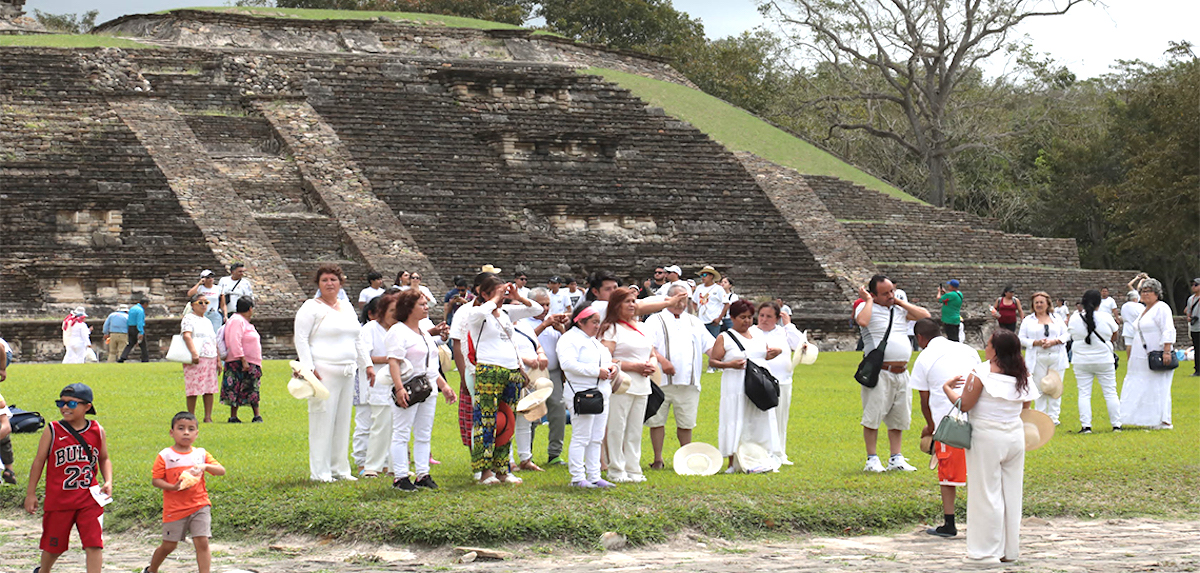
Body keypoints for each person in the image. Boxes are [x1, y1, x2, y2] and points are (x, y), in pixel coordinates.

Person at [943, 329, 1038, 564]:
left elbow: (964, 405)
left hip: (986, 436)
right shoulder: (1022, 373)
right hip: (1014, 435)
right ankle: (1008, 550)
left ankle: (984, 552)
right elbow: (1026, 405)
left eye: (988, 344)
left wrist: (947, 389)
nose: (985, 348)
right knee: (1011, 493)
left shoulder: (981, 373)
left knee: (985, 493)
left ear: (996, 350)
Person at [294, 264, 374, 482]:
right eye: (325, 280)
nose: (329, 284)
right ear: (318, 284)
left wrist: (366, 364)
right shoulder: (311, 307)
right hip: (323, 371)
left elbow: (357, 338)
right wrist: (309, 368)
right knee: (322, 421)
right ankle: (320, 472)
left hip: (347, 370)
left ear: (341, 283)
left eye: (333, 280)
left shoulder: (346, 306)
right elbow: (301, 338)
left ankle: (340, 469)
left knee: (342, 422)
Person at [24, 383, 113, 573]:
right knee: (54, 547)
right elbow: (39, 462)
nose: (64, 407)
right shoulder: (53, 429)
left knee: (94, 544)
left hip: (89, 498)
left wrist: (108, 481)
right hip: (59, 500)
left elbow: (104, 458)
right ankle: (43, 570)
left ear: (87, 406)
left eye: (71, 404)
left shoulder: (97, 430)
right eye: (61, 403)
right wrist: (31, 493)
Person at [462, 274, 542, 484]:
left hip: (511, 369)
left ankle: (502, 469)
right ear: (484, 293)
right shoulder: (477, 313)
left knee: (508, 421)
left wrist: (518, 296)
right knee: (486, 421)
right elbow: (480, 313)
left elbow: (536, 310)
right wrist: (493, 299)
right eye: (497, 292)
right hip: (489, 369)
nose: (502, 297)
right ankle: (484, 471)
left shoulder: (506, 312)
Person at [909, 318, 981, 538]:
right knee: (979, 471)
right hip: (977, 416)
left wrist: (931, 426)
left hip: (947, 420)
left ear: (920, 338)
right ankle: (981, 520)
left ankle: (950, 523)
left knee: (947, 473)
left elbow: (924, 399)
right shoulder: (968, 350)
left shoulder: (924, 358)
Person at [855, 275, 931, 472]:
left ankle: (896, 457)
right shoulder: (865, 307)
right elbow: (862, 321)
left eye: (892, 291)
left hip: (901, 372)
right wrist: (869, 301)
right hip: (879, 372)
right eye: (885, 293)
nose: (890, 295)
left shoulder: (899, 310)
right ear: (873, 295)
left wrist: (899, 302)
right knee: (873, 416)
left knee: (899, 417)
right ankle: (872, 459)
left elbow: (925, 316)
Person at [387, 290, 457, 491]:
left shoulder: (423, 332)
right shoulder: (398, 331)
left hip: (428, 388)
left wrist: (444, 386)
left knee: (423, 433)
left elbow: (431, 366)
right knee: (402, 432)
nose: (426, 307)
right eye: (421, 304)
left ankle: (422, 474)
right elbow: (394, 362)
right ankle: (400, 476)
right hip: (408, 387)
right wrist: (399, 388)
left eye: (426, 304)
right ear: (408, 308)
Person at [708, 299, 783, 471]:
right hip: (736, 383)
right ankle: (733, 460)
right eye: (742, 317)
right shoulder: (725, 337)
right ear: (733, 318)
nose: (747, 321)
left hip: (758, 382)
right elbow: (713, 360)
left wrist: (775, 352)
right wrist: (729, 364)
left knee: (758, 417)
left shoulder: (758, 334)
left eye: (749, 317)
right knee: (736, 417)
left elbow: (763, 354)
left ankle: (760, 456)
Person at [645, 285, 715, 470]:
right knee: (657, 421)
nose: (681, 304)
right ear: (668, 298)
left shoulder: (694, 322)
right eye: (677, 299)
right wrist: (663, 361)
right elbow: (647, 346)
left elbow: (710, 347)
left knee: (686, 422)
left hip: (688, 381)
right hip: (661, 381)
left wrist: (725, 355)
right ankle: (658, 459)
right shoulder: (654, 320)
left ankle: (686, 457)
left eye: (684, 300)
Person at [145, 412, 225, 573]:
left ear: (197, 433)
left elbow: (221, 470)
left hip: (200, 505)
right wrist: (173, 487)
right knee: (169, 545)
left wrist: (205, 466)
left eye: (191, 429)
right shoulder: (165, 455)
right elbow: (156, 480)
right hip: (175, 509)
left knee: (202, 542)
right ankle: (151, 570)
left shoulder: (201, 454)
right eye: (181, 428)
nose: (186, 433)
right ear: (172, 432)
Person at [599, 287, 662, 483]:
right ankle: (616, 469)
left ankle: (633, 469)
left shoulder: (642, 327)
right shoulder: (611, 328)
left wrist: (652, 364)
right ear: (616, 305)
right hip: (621, 384)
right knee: (617, 427)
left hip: (642, 384)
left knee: (635, 429)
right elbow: (605, 358)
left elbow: (652, 353)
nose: (632, 305)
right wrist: (633, 366)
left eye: (634, 301)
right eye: (627, 301)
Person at [558, 304, 620, 488]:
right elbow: (567, 364)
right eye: (594, 322)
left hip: (601, 394)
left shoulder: (593, 341)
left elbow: (606, 361)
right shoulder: (569, 339)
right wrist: (596, 371)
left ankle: (594, 475)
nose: (597, 326)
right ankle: (577, 477)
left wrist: (612, 368)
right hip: (581, 393)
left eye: (598, 322)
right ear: (580, 321)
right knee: (582, 436)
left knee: (596, 437)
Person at [520, 289, 569, 465]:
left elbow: (566, 344)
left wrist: (561, 329)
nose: (546, 308)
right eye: (541, 305)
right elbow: (527, 341)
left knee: (558, 411)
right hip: (532, 373)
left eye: (548, 304)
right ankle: (527, 454)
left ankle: (555, 453)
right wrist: (544, 325)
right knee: (532, 412)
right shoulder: (524, 322)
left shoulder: (553, 322)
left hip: (554, 372)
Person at [1120, 278, 1176, 429]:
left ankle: (1162, 420)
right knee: (1142, 384)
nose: (1145, 294)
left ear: (1157, 293)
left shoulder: (1162, 308)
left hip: (1157, 353)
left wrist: (1166, 350)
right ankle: (1144, 418)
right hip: (1141, 355)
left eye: (1149, 291)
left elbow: (1168, 329)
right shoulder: (1143, 310)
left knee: (1158, 386)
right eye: (1143, 291)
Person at [751, 301, 801, 465]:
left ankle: (780, 453)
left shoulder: (783, 332)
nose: (764, 320)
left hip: (782, 381)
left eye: (769, 316)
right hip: (759, 382)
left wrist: (788, 325)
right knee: (760, 419)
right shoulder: (752, 332)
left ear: (777, 318)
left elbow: (800, 346)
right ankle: (761, 452)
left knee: (780, 418)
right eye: (762, 315)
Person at [1069, 290, 1121, 433]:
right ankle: (1116, 424)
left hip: (1081, 360)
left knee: (1084, 393)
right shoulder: (1106, 317)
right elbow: (1114, 334)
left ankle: (1086, 426)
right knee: (1110, 392)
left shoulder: (1075, 318)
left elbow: (1072, 335)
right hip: (1104, 359)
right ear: (1099, 303)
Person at [511, 291, 550, 473]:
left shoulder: (524, 325)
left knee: (526, 418)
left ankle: (526, 458)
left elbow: (537, 344)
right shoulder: (500, 326)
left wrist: (541, 355)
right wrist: (524, 359)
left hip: (532, 376)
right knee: (510, 417)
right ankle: (508, 460)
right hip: (514, 374)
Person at [1018, 292, 1069, 425]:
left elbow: (1067, 334)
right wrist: (1036, 342)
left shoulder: (1057, 318)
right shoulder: (1028, 320)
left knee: (1055, 387)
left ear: (1047, 304)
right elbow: (1021, 338)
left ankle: (1053, 417)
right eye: (1036, 303)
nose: (1039, 305)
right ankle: (1041, 415)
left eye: (1041, 302)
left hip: (1056, 356)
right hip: (1037, 357)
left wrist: (1054, 341)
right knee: (1039, 388)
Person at [220, 297, 262, 424]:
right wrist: (242, 358)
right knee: (236, 387)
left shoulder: (244, 322)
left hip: (250, 360)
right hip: (239, 360)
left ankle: (256, 415)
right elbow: (235, 340)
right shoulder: (237, 321)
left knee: (252, 387)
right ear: (250, 309)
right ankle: (234, 416)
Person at [180, 294, 220, 424]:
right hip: (197, 356)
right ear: (193, 305)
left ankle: (208, 416)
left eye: (206, 302)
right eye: (200, 302)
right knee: (193, 388)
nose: (203, 305)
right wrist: (194, 353)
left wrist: (218, 359)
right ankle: (191, 415)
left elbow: (213, 340)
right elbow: (187, 335)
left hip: (210, 355)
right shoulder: (189, 318)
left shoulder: (207, 321)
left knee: (209, 388)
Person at [691, 266, 729, 338]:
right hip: (701, 321)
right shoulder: (699, 288)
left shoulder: (718, 289)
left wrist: (719, 318)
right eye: (701, 275)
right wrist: (697, 311)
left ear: (711, 276)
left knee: (713, 342)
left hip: (713, 321)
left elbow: (727, 304)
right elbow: (694, 301)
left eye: (705, 275)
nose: (703, 277)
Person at [119, 297, 149, 363]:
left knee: (130, 344)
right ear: (145, 304)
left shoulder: (132, 309)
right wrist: (141, 332)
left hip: (130, 327)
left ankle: (123, 356)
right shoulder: (140, 311)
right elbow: (140, 322)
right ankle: (145, 358)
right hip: (137, 328)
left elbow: (128, 320)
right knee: (143, 345)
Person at [1119, 289, 1145, 357]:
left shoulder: (1124, 306)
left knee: (1129, 345)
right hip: (1138, 328)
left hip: (1127, 327)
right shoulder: (1140, 306)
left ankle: (1129, 359)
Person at [1186, 278, 1200, 377]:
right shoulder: (1191, 299)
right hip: (1194, 327)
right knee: (1197, 349)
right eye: (1192, 285)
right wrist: (1189, 317)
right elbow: (1188, 312)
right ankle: (1197, 369)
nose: (1193, 287)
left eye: (1196, 285)